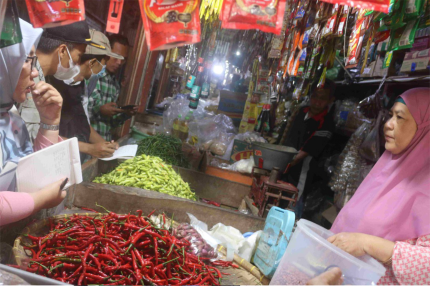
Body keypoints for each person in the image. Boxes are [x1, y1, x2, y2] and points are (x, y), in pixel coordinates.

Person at [329, 88, 430, 284]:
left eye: (399, 118)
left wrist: (368, 244)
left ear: (424, 128)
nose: (388, 125)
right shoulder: (386, 169)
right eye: (390, 115)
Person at [0, 19, 66, 225]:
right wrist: (41, 199)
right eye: (27, 60)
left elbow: (36, 176)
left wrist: (49, 121)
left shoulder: (9, 115)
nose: (35, 72)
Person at [49, 29, 123, 161]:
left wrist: (107, 145)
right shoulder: (52, 81)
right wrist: (89, 148)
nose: (103, 69)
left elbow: (83, 123)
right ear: (93, 63)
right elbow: (43, 133)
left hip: (73, 157)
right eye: (103, 64)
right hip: (52, 156)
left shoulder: (83, 84)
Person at [18, 20, 95, 143]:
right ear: (63, 51)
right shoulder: (29, 79)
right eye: (79, 56)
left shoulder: (44, 78)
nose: (78, 64)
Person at [280, 79, 336, 218]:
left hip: (302, 173)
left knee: (293, 203)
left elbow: (304, 154)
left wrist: (279, 161)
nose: (317, 101)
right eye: (315, 96)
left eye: (322, 98)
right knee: (280, 199)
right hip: (286, 166)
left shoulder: (327, 123)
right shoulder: (300, 112)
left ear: (330, 100)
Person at [88, 34, 137, 141]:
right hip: (85, 144)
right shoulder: (90, 75)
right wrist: (100, 110)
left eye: (123, 59)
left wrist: (124, 114)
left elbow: (110, 124)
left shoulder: (115, 85)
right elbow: (78, 114)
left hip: (103, 145)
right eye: (116, 56)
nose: (119, 63)